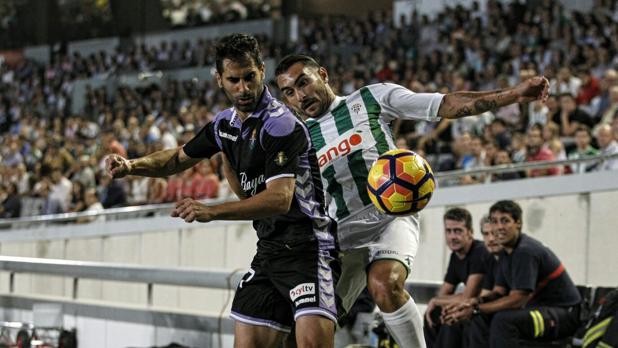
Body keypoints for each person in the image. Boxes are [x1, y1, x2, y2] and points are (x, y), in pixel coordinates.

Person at [274, 54, 549, 348]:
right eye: (289, 92)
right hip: (340, 235)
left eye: (303, 82)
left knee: (384, 284)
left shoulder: (370, 99)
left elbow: (446, 104)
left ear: (323, 75)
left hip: (390, 217)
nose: (300, 96)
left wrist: (513, 95)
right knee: (304, 331)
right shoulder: (297, 139)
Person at [106, 34, 340, 348]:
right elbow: (177, 157)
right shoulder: (224, 125)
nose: (243, 88)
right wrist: (132, 166)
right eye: (234, 80)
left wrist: (212, 211)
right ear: (219, 79)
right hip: (269, 251)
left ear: (260, 70)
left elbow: (280, 199)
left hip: (309, 249)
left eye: (249, 78)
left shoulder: (280, 124)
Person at [443, 200, 581, 348]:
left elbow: (518, 299)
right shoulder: (506, 252)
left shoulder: (525, 251)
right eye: (495, 222)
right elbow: (499, 292)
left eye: (505, 221)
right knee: (478, 318)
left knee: (503, 321)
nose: (499, 227)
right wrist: (472, 303)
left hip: (564, 315)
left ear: (518, 223)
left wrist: (476, 309)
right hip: (539, 310)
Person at [423, 208, 489, 348]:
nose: (452, 236)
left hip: (484, 307)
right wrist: (438, 302)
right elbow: (444, 293)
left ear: (470, 232)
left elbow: (467, 297)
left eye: (458, 231)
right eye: (448, 231)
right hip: (470, 305)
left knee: (451, 320)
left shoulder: (480, 251)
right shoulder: (455, 255)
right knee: (434, 314)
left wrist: (436, 301)